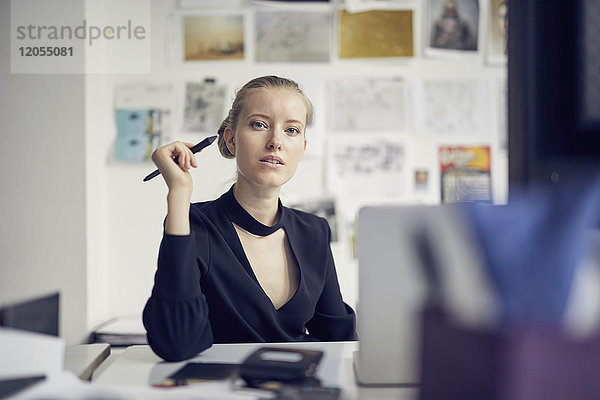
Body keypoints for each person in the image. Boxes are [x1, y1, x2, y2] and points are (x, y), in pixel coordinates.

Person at [143, 76, 357, 362]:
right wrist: (178, 195)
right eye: (259, 125)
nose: (276, 142)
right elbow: (176, 343)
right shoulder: (193, 223)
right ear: (230, 139)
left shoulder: (314, 230)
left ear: (302, 147)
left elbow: (339, 339)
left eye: (291, 130)